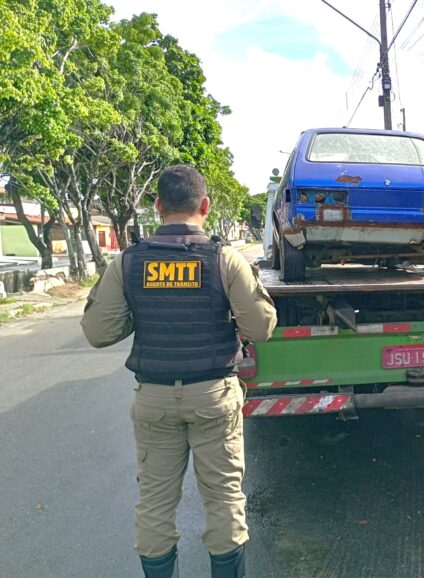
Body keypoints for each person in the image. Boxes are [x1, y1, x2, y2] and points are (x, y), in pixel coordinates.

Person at [81, 165, 277, 578]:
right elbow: (261, 328)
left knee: (154, 504)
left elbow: (98, 332)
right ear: (205, 206)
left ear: (157, 206)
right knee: (224, 502)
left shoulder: (129, 262)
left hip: (153, 401)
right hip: (213, 397)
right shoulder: (224, 259)